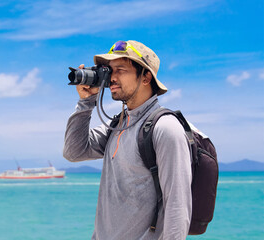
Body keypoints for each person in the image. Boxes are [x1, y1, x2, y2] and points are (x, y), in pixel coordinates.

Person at [62, 40, 192, 239]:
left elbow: (177, 207)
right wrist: (86, 102)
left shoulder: (165, 128)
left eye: (120, 70)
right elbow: (74, 152)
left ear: (146, 77)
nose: (111, 78)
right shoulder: (117, 125)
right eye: (109, 70)